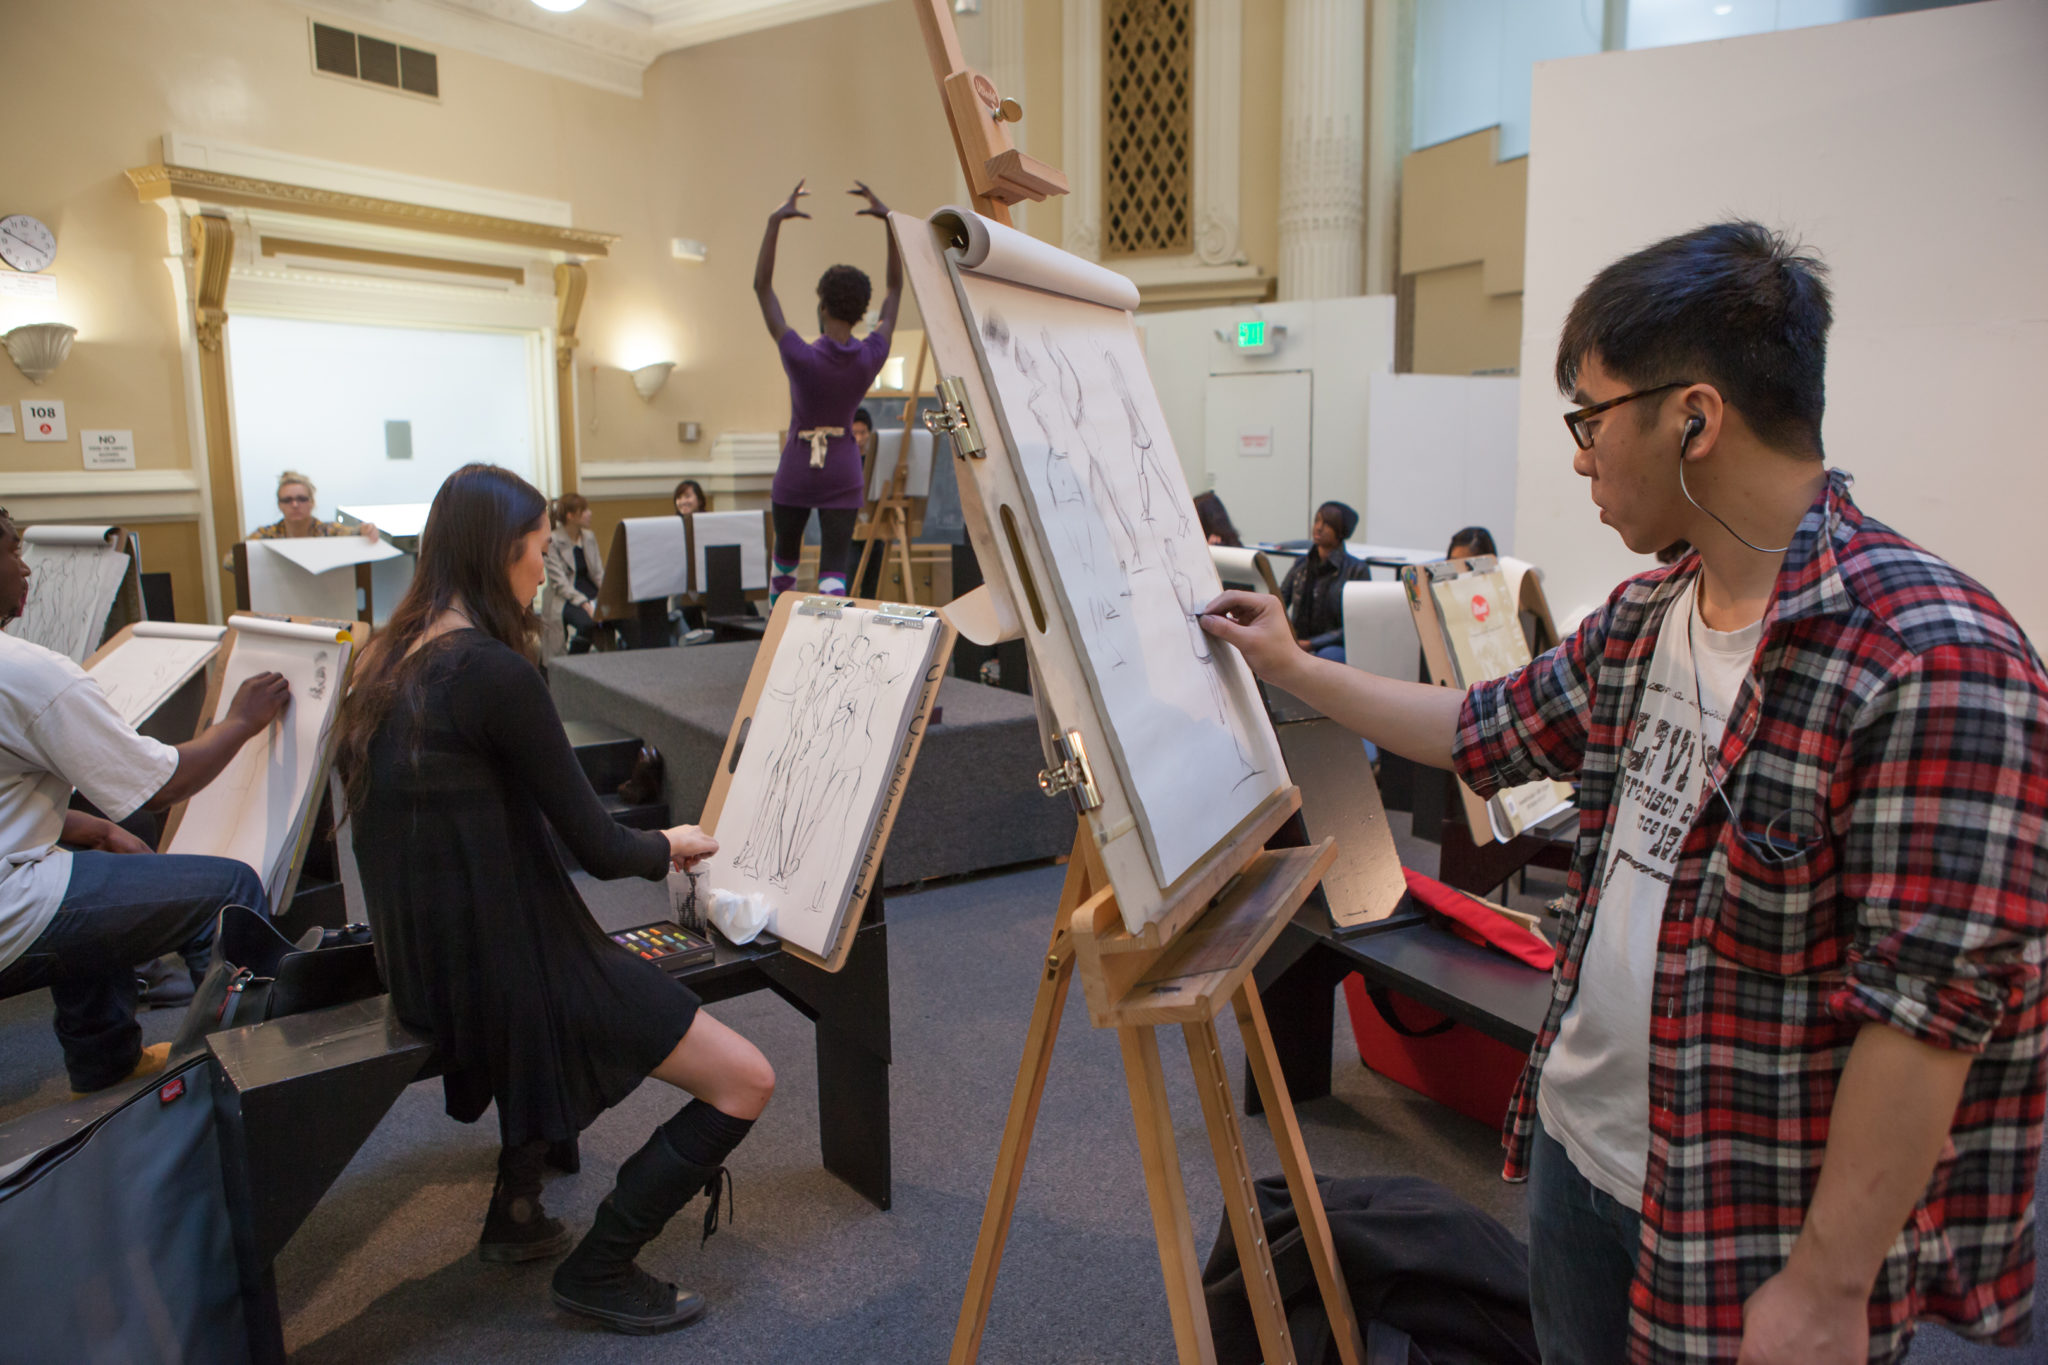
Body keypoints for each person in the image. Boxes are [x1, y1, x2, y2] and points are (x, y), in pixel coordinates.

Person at [1201, 222, 2048, 1365]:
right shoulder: (1647, 616)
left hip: (1749, 1218)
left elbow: (1926, 1014)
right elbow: (1481, 728)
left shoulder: (1932, 659)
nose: (1578, 458)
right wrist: (1293, 668)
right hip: (1578, 1146)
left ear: (1691, 418)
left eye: (1589, 419)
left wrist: (1827, 1282)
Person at [335, 464, 775, 1335]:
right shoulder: (495, 673)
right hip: (506, 974)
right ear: (500, 553)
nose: (546, 571)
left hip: (422, 971)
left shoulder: (385, 657)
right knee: (747, 1079)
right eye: (539, 551)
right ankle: (602, 1265)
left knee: (596, 969)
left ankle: (518, 1209)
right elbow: (601, 848)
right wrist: (670, 843)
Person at [0, 508, 291, 1094]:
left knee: (101, 863)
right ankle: (246, 1082)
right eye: (11, 551)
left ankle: (106, 1060)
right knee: (230, 889)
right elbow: (163, 787)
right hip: (8, 907)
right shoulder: (25, 672)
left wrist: (94, 828)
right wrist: (239, 721)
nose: (25, 568)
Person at [754, 179, 902, 604]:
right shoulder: (870, 356)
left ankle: (776, 630)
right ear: (859, 314)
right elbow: (895, 292)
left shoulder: (800, 356)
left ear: (822, 307)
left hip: (798, 466)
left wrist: (774, 223)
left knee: (785, 566)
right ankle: (829, 638)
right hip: (842, 468)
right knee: (834, 571)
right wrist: (890, 224)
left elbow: (762, 288)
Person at [1276, 500, 1369, 662]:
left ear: (1341, 531)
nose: (1318, 527)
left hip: (1334, 644)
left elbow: (1355, 624)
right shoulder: (1301, 564)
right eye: (1317, 520)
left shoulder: (1356, 570)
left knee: (1328, 656)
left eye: (1327, 524)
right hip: (1298, 638)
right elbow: (1279, 600)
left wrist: (1312, 643)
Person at [543, 494, 607, 656]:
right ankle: (572, 663)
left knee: (622, 617)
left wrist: (608, 594)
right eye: (584, 510)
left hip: (591, 591)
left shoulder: (589, 537)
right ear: (570, 516)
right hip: (566, 597)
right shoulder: (553, 541)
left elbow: (598, 573)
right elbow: (560, 584)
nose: (589, 513)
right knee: (587, 624)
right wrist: (584, 603)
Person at [248, 470, 379, 545]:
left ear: (312, 502)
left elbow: (352, 533)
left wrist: (365, 530)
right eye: (287, 500)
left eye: (301, 499)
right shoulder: (265, 535)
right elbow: (238, 557)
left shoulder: (328, 531)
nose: (295, 505)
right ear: (279, 505)